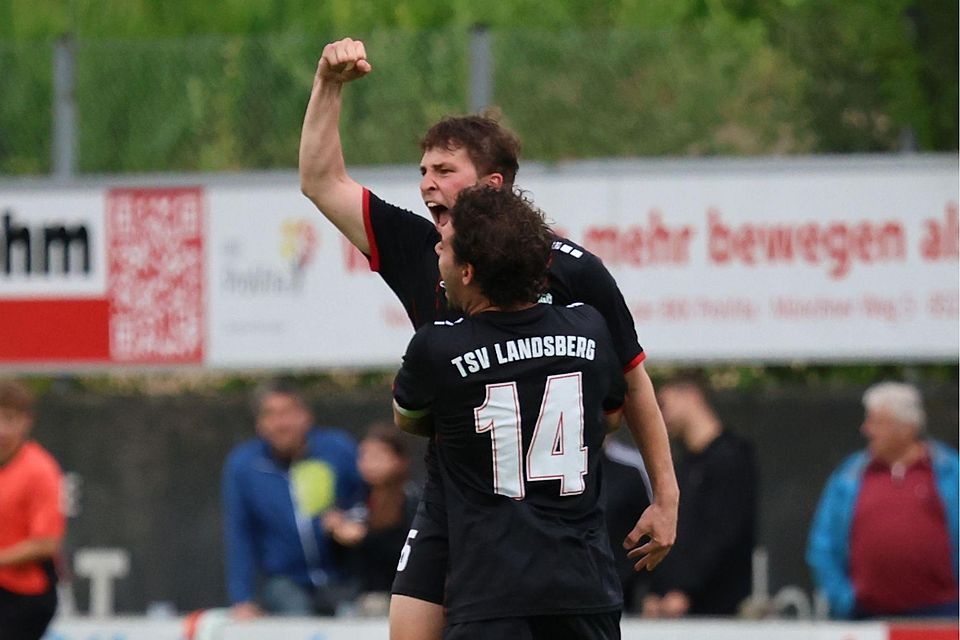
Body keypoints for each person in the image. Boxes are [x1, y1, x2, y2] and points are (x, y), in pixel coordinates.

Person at [298, 37, 678, 639]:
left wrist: (667, 495)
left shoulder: (576, 272)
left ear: (493, 186)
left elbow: (631, 379)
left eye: (444, 171)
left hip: (553, 504)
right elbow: (321, 179)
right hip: (461, 489)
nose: (426, 185)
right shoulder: (423, 248)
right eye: (422, 170)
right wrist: (328, 83)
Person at [393, 186, 627, 638]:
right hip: (585, 588)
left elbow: (408, 418)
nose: (436, 249)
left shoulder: (438, 346)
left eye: (445, 245)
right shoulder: (589, 328)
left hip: (491, 594)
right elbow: (611, 418)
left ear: (468, 271)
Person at [807, 382, 959, 619]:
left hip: (942, 615)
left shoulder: (950, 471)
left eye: (877, 422)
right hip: (866, 617)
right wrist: (843, 600)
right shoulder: (849, 475)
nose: (867, 429)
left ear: (907, 428)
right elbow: (822, 545)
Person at [222, 378, 364, 618]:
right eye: (270, 415)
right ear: (259, 424)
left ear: (305, 416)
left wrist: (347, 524)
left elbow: (363, 502)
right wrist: (242, 598)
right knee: (297, 616)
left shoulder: (338, 449)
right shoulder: (244, 466)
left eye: (287, 413)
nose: (281, 423)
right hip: (285, 581)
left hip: (343, 577)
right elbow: (240, 533)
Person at [642, 372, 758, 617]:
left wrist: (685, 591)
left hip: (718, 612)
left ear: (691, 395)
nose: (661, 417)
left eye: (664, 404)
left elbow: (724, 534)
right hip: (673, 609)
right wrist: (657, 591)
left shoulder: (733, 458)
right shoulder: (682, 467)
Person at [325, 423, 419, 603]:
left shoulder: (412, 500)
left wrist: (364, 538)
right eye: (364, 456)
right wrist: (334, 531)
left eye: (377, 456)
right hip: (355, 594)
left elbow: (409, 552)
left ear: (399, 460)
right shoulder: (356, 499)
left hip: (396, 594)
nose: (369, 463)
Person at [0, 381, 65, 640]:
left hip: (25, 596)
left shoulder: (39, 470)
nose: (2, 429)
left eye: (9, 419)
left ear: (27, 422)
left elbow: (46, 544)